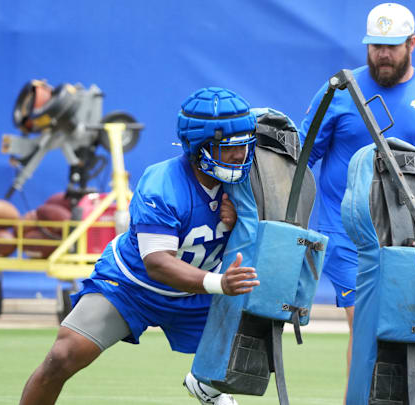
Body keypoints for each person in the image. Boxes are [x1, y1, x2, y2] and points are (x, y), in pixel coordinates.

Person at [19, 87, 261, 405]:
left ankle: (206, 384)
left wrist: (242, 217)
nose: (241, 156)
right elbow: (157, 263)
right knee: (63, 357)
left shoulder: (245, 182)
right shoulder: (163, 184)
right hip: (133, 286)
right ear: (200, 146)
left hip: (197, 294)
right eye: (229, 147)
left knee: (261, 334)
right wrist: (219, 283)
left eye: (244, 146)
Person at [299, 2, 415, 395]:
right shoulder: (340, 90)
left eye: (392, 46)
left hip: (410, 238)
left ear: (412, 43)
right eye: (375, 46)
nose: (382, 54)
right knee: (365, 322)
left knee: (405, 327)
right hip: (346, 232)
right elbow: (302, 158)